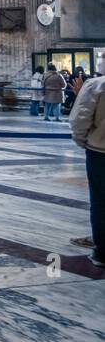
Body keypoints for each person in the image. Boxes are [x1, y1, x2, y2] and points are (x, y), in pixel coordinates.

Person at [69, 73, 105, 267]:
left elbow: (80, 120)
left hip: (100, 152)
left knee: (101, 201)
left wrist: (83, 141)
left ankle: (102, 253)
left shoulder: (96, 85)